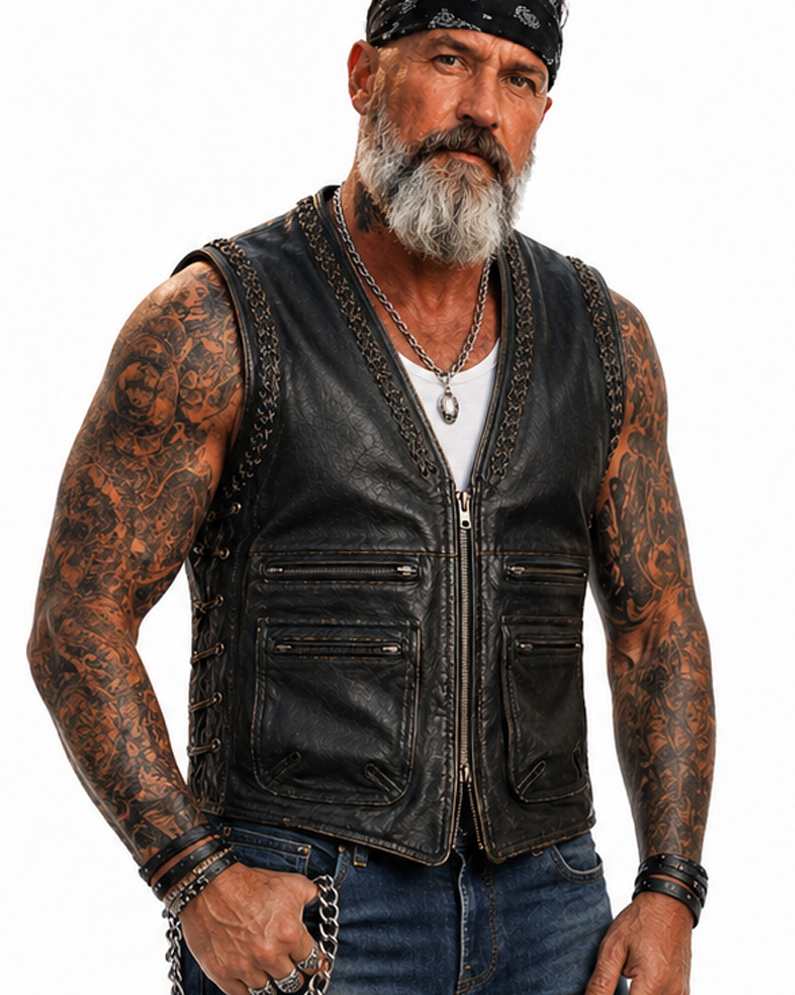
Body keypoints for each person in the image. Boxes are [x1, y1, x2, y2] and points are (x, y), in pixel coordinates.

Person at [28, 2, 715, 993]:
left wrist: (672, 888)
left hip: (551, 904)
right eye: (450, 59)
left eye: (519, 79)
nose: (482, 108)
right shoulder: (218, 320)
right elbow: (77, 619)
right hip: (307, 905)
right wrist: (195, 878)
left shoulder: (602, 339)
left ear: (542, 111)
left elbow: (658, 626)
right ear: (363, 76)